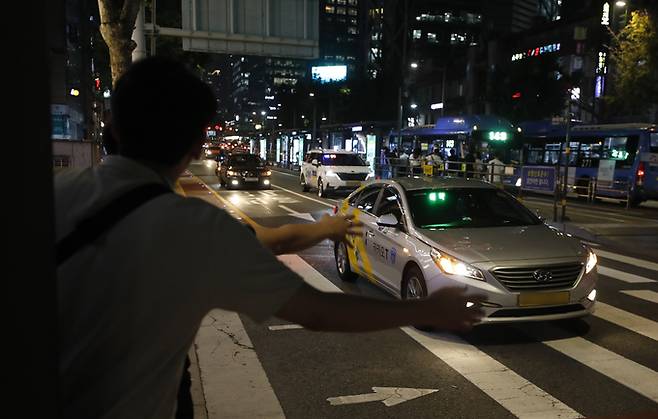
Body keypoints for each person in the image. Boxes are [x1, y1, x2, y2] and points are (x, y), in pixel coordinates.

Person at [55, 57, 483, 419]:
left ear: (112, 124)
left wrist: (324, 229)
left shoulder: (55, 194)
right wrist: (426, 309)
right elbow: (318, 311)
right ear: (198, 142)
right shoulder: (196, 228)